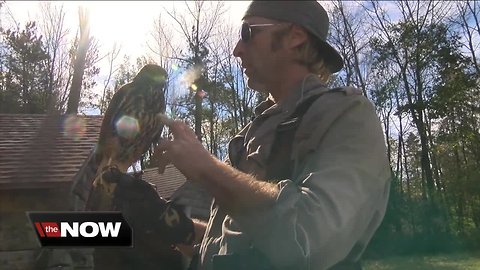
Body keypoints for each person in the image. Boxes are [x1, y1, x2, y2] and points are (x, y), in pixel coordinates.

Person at [114, 1, 391, 270]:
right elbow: (236, 241)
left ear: (295, 37)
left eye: (248, 33)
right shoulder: (247, 135)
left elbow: (307, 239)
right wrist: (174, 227)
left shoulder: (347, 115)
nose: (236, 50)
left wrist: (206, 168)